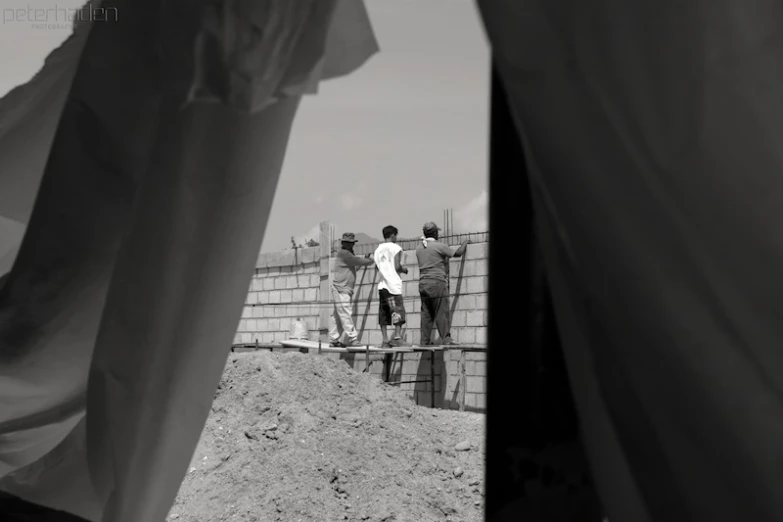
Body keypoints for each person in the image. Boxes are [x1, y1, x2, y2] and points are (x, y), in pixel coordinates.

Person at [415, 221, 470, 345]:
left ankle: (424, 341)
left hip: (423, 283)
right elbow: (457, 253)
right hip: (437, 282)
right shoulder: (439, 246)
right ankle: (446, 339)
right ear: (435, 233)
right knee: (441, 311)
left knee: (426, 313)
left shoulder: (419, 248)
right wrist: (465, 243)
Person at [330, 232, 374, 347]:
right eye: (349, 244)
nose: (351, 246)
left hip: (343, 289)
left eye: (352, 244)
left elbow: (356, 266)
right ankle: (352, 338)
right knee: (345, 313)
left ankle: (334, 339)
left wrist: (365, 260)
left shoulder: (347, 255)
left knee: (339, 316)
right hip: (341, 289)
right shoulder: (345, 254)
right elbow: (358, 262)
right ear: (344, 244)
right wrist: (370, 261)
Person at [373, 225, 410, 347]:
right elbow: (397, 266)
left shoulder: (378, 250)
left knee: (383, 312)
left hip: (382, 286)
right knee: (397, 310)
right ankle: (397, 337)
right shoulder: (396, 248)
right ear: (393, 235)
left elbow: (377, 267)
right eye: (396, 236)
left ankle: (384, 340)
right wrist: (404, 269)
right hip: (393, 286)